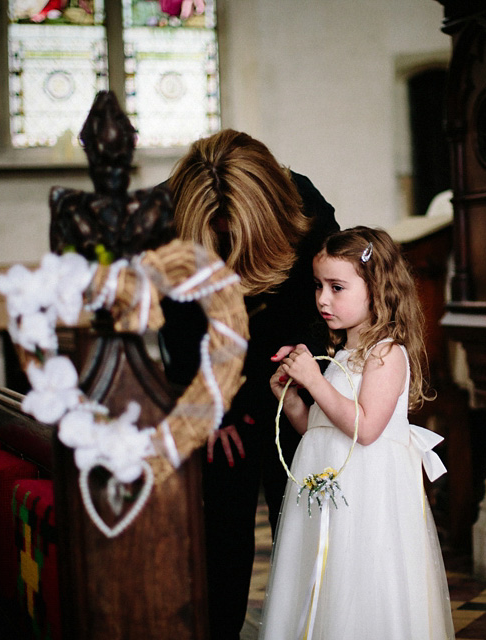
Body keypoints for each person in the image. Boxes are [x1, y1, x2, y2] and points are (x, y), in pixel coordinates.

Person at [158, 129, 338, 639]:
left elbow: (331, 309)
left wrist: (307, 377)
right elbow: (178, 329)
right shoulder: (164, 220)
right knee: (223, 539)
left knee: (302, 522)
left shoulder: (305, 207)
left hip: (293, 389)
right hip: (221, 393)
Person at [260, 227, 454, 640]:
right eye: (318, 286)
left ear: (377, 289)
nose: (323, 299)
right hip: (332, 494)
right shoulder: (341, 353)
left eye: (337, 287)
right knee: (325, 576)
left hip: (369, 497)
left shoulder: (387, 353)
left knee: (360, 580)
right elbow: (323, 430)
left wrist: (315, 382)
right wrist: (294, 401)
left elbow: (364, 429)